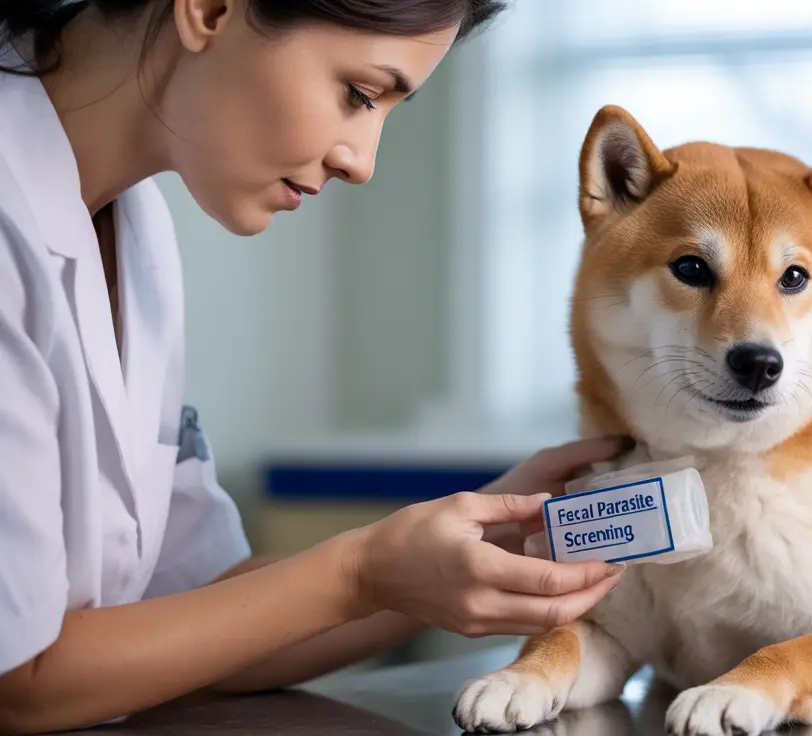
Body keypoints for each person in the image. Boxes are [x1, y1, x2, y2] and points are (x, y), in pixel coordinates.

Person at [0, 1, 628, 732]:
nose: (360, 161)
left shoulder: (136, 237)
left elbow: (199, 615)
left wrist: (488, 542)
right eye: (359, 95)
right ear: (209, 10)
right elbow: (20, 680)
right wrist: (361, 572)